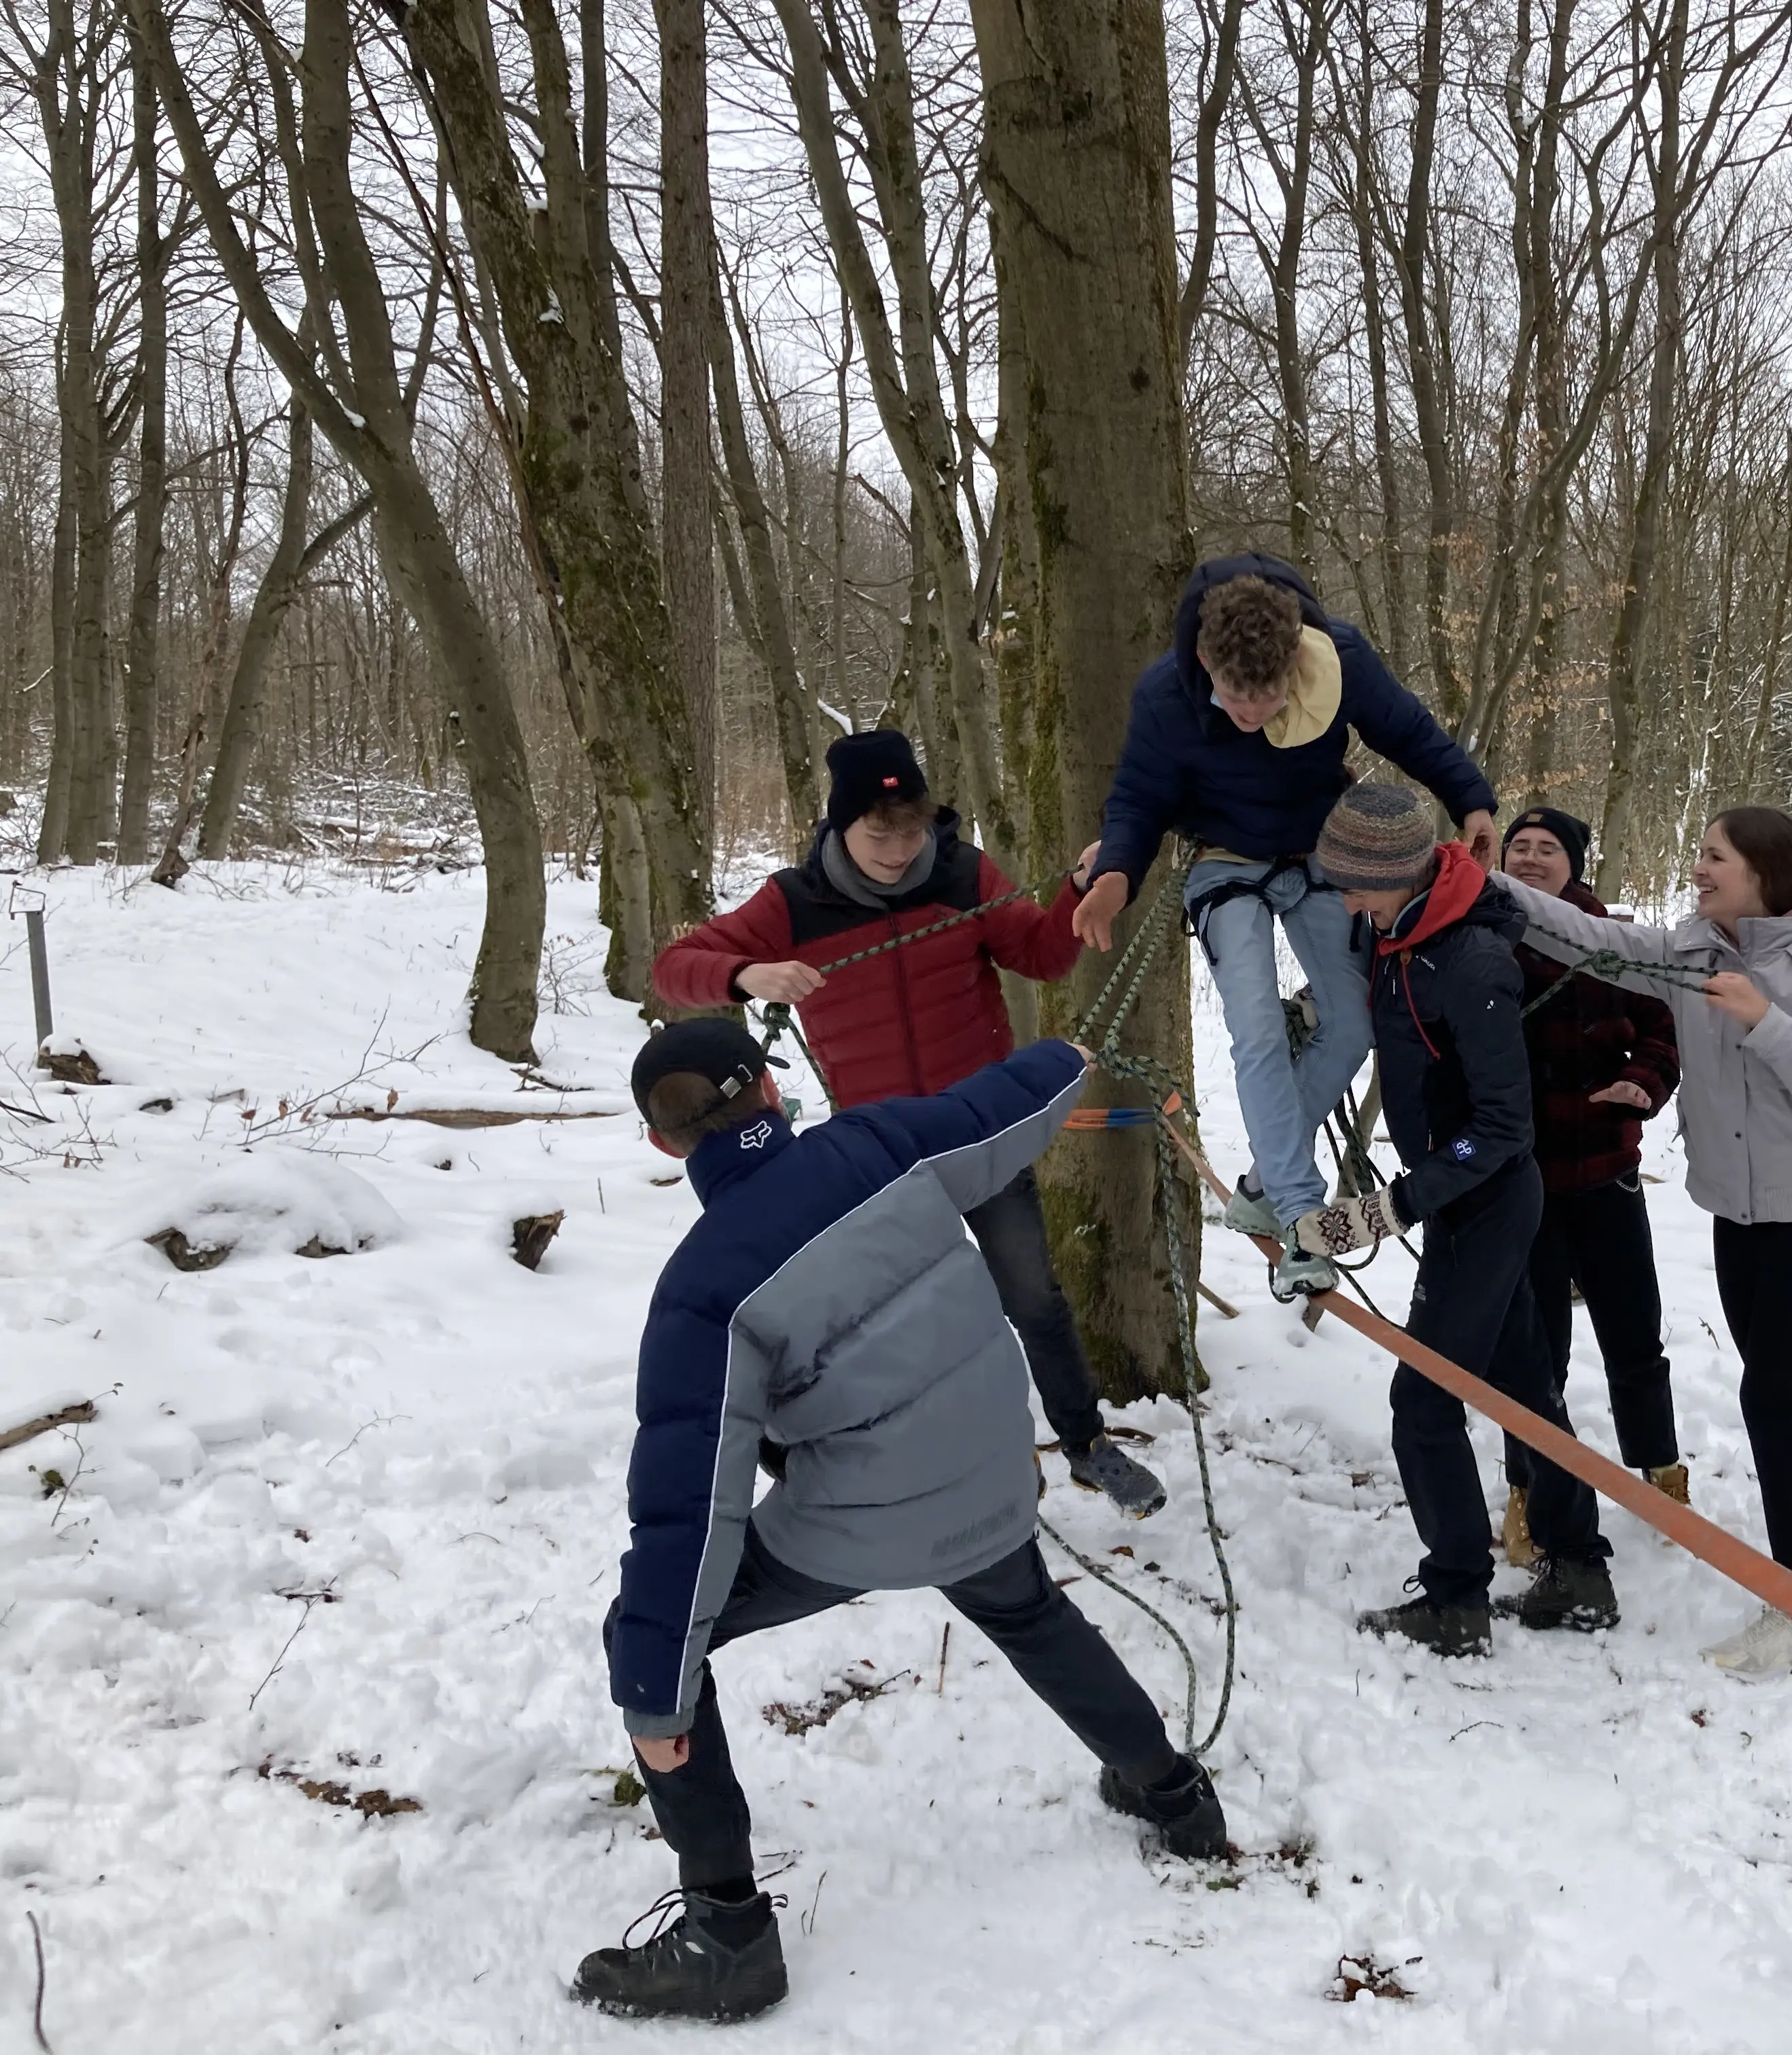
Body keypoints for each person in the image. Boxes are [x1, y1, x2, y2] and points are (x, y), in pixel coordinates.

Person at [578, 1022, 1226, 2023]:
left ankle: (727, 1934)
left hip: (865, 1521)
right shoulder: (882, 1143)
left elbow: (687, 1511)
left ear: (666, 1147)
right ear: (774, 1093)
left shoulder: (704, 1289)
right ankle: (1174, 1795)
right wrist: (1069, 1050)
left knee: (652, 1640)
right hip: (990, 1471)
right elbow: (1011, 1101)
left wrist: (656, 1697)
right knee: (1026, 1612)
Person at [654, 730, 1165, 1519]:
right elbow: (674, 969)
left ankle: (1087, 1444)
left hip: (979, 1132)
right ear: (840, 826)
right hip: (878, 1155)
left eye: (911, 830)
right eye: (877, 833)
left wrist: (1075, 889)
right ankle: (929, 1465)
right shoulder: (791, 904)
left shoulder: (964, 875)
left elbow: (1041, 954)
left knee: (1031, 1296)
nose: (897, 850)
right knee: (891, 1322)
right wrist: (745, 972)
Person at [1490, 806, 1792, 1680]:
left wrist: (1766, 1021)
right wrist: (1474, 879)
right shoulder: (1693, 949)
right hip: (1740, 1219)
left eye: (1715, 857)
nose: (1699, 868)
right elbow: (1581, 935)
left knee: (1775, 1405)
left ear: (1762, 873)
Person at [1074, 557, 1499, 1300]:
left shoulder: (1341, 660)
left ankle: (1263, 1182)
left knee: (1356, 1019)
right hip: (1223, 860)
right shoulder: (1164, 697)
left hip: (1317, 850)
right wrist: (1117, 874)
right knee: (1257, 1028)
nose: (1255, 713)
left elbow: (1407, 730)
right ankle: (1301, 1215)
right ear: (1205, 662)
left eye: (1271, 698)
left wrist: (1471, 799)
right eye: (1240, 699)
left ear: (1297, 659)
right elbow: (1138, 798)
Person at [1288, 784, 1617, 1654]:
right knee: (1524, 1389)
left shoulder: (1468, 963)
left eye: (1351, 884)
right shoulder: (1394, 929)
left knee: (1424, 1403)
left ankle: (1455, 1596)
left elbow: (1506, 1130)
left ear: (1395, 876)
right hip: (1458, 1199)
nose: (1342, 900)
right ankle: (1579, 1567)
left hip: (1488, 1200)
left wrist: (1394, 1205)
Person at [1494, 806, 1685, 1575]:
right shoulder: (1481, 935)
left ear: (1575, 866)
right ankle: (1527, 1487)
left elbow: (1662, 1035)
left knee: (1635, 1336)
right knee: (1536, 1355)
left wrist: (1644, 1082)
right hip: (1520, 1186)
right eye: (1520, 847)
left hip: (1607, 1173)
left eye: (1549, 850)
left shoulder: (1614, 942)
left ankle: (1661, 1467)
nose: (1534, 859)